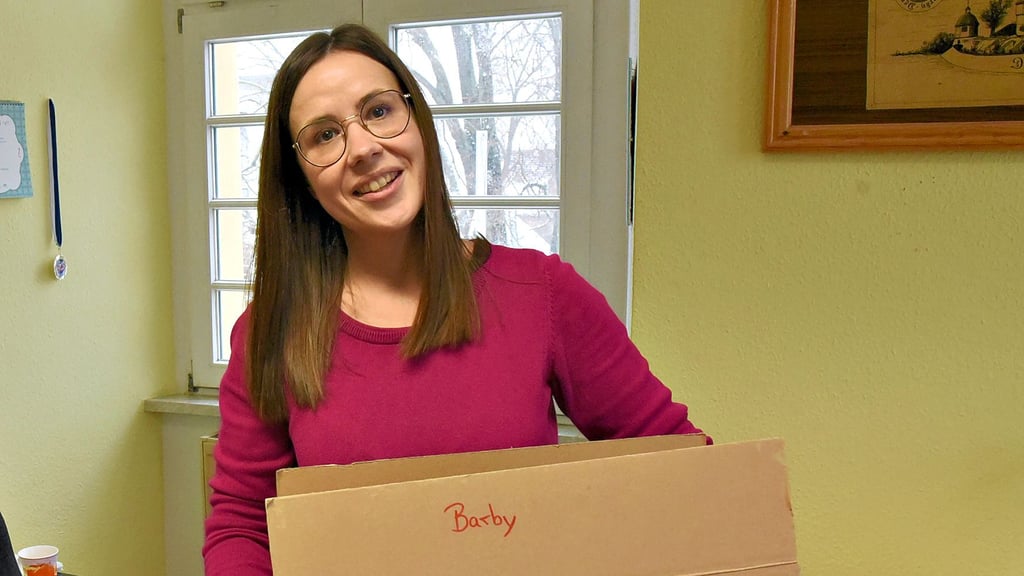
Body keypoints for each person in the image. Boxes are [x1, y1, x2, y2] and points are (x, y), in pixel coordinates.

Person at [202, 22, 708, 576]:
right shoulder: (269, 333)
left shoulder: (542, 293)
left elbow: (678, 466)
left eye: (378, 111)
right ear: (300, 177)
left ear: (417, 121)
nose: (365, 148)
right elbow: (243, 525)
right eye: (324, 135)